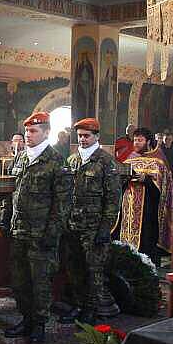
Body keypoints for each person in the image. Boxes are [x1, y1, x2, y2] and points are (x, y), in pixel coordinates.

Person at [1, 112, 70, 344]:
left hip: (42, 233)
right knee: (19, 280)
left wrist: (52, 233)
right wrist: (5, 218)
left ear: (46, 133)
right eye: (27, 131)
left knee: (40, 281)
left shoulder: (56, 161)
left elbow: (62, 203)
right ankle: (26, 318)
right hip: (19, 230)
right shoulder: (20, 159)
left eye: (34, 131)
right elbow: (11, 193)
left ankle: (39, 324)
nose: (28, 135)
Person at [65, 118, 121, 324]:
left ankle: (91, 309)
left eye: (86, 136)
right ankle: (78, 304)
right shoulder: (72, 161)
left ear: (96, 136)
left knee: (94, 269)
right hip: (73, 224)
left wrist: (106, 227)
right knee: (74, 267)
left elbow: (113, 198)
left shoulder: (106, 162)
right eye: (80, 136)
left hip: (94, 225)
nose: (82, 139)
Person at [117, 127, 173, 267]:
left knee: (146, 240)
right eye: (135, 140)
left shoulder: (157, 160)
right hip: (128, 208)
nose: (136, 143)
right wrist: (124, 178)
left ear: (148, 141)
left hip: (148, 209)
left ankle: (147, 270)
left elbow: (164, 189)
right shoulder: (130, 158)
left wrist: (146, 180)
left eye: (140, 140)